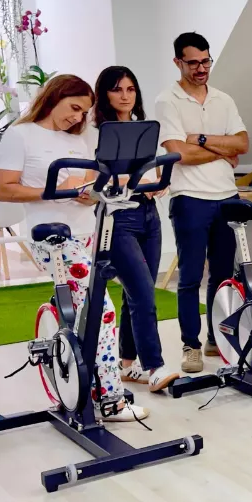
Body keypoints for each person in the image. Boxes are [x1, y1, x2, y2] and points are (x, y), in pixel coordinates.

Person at [0, 74, 146, 422]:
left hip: (86, 232)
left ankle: (90, 384)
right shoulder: (21, 135)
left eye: (84, 112)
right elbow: (4, 189)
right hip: (52, 237)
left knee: (86, 312)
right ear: (54, 97)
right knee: (102, 310)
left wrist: (111, 185)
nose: (78, 117)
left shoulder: (79, 139)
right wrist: (56, 190)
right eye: (74, 108)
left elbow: (94, 179)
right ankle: (111, 399)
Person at [155, 32, 249, 374]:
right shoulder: (168, 101)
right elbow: (178, 153)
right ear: (178, 62)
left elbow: (243, 143)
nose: (201, 68)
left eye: (206, 61)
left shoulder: (224, 99)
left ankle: (217, 338)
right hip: (189, 199)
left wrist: (203, 139)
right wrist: (221, 151)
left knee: (224, 276)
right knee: (191, 276)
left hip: (227, 197)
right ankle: (191, 346)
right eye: (193, 62)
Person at [92, 65, 180, 392]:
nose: (125, 96)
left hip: (147, 215)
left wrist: (159, 185)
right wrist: (137, 180)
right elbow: (99, 179)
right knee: (144, 295)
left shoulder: (141, 128)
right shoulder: (96, 132)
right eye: (118, 90)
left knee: (136, 295)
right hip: (117, 220)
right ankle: (154, 365)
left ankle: (127, 364)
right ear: (105, 94)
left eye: (130, 89)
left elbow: (147, 173)